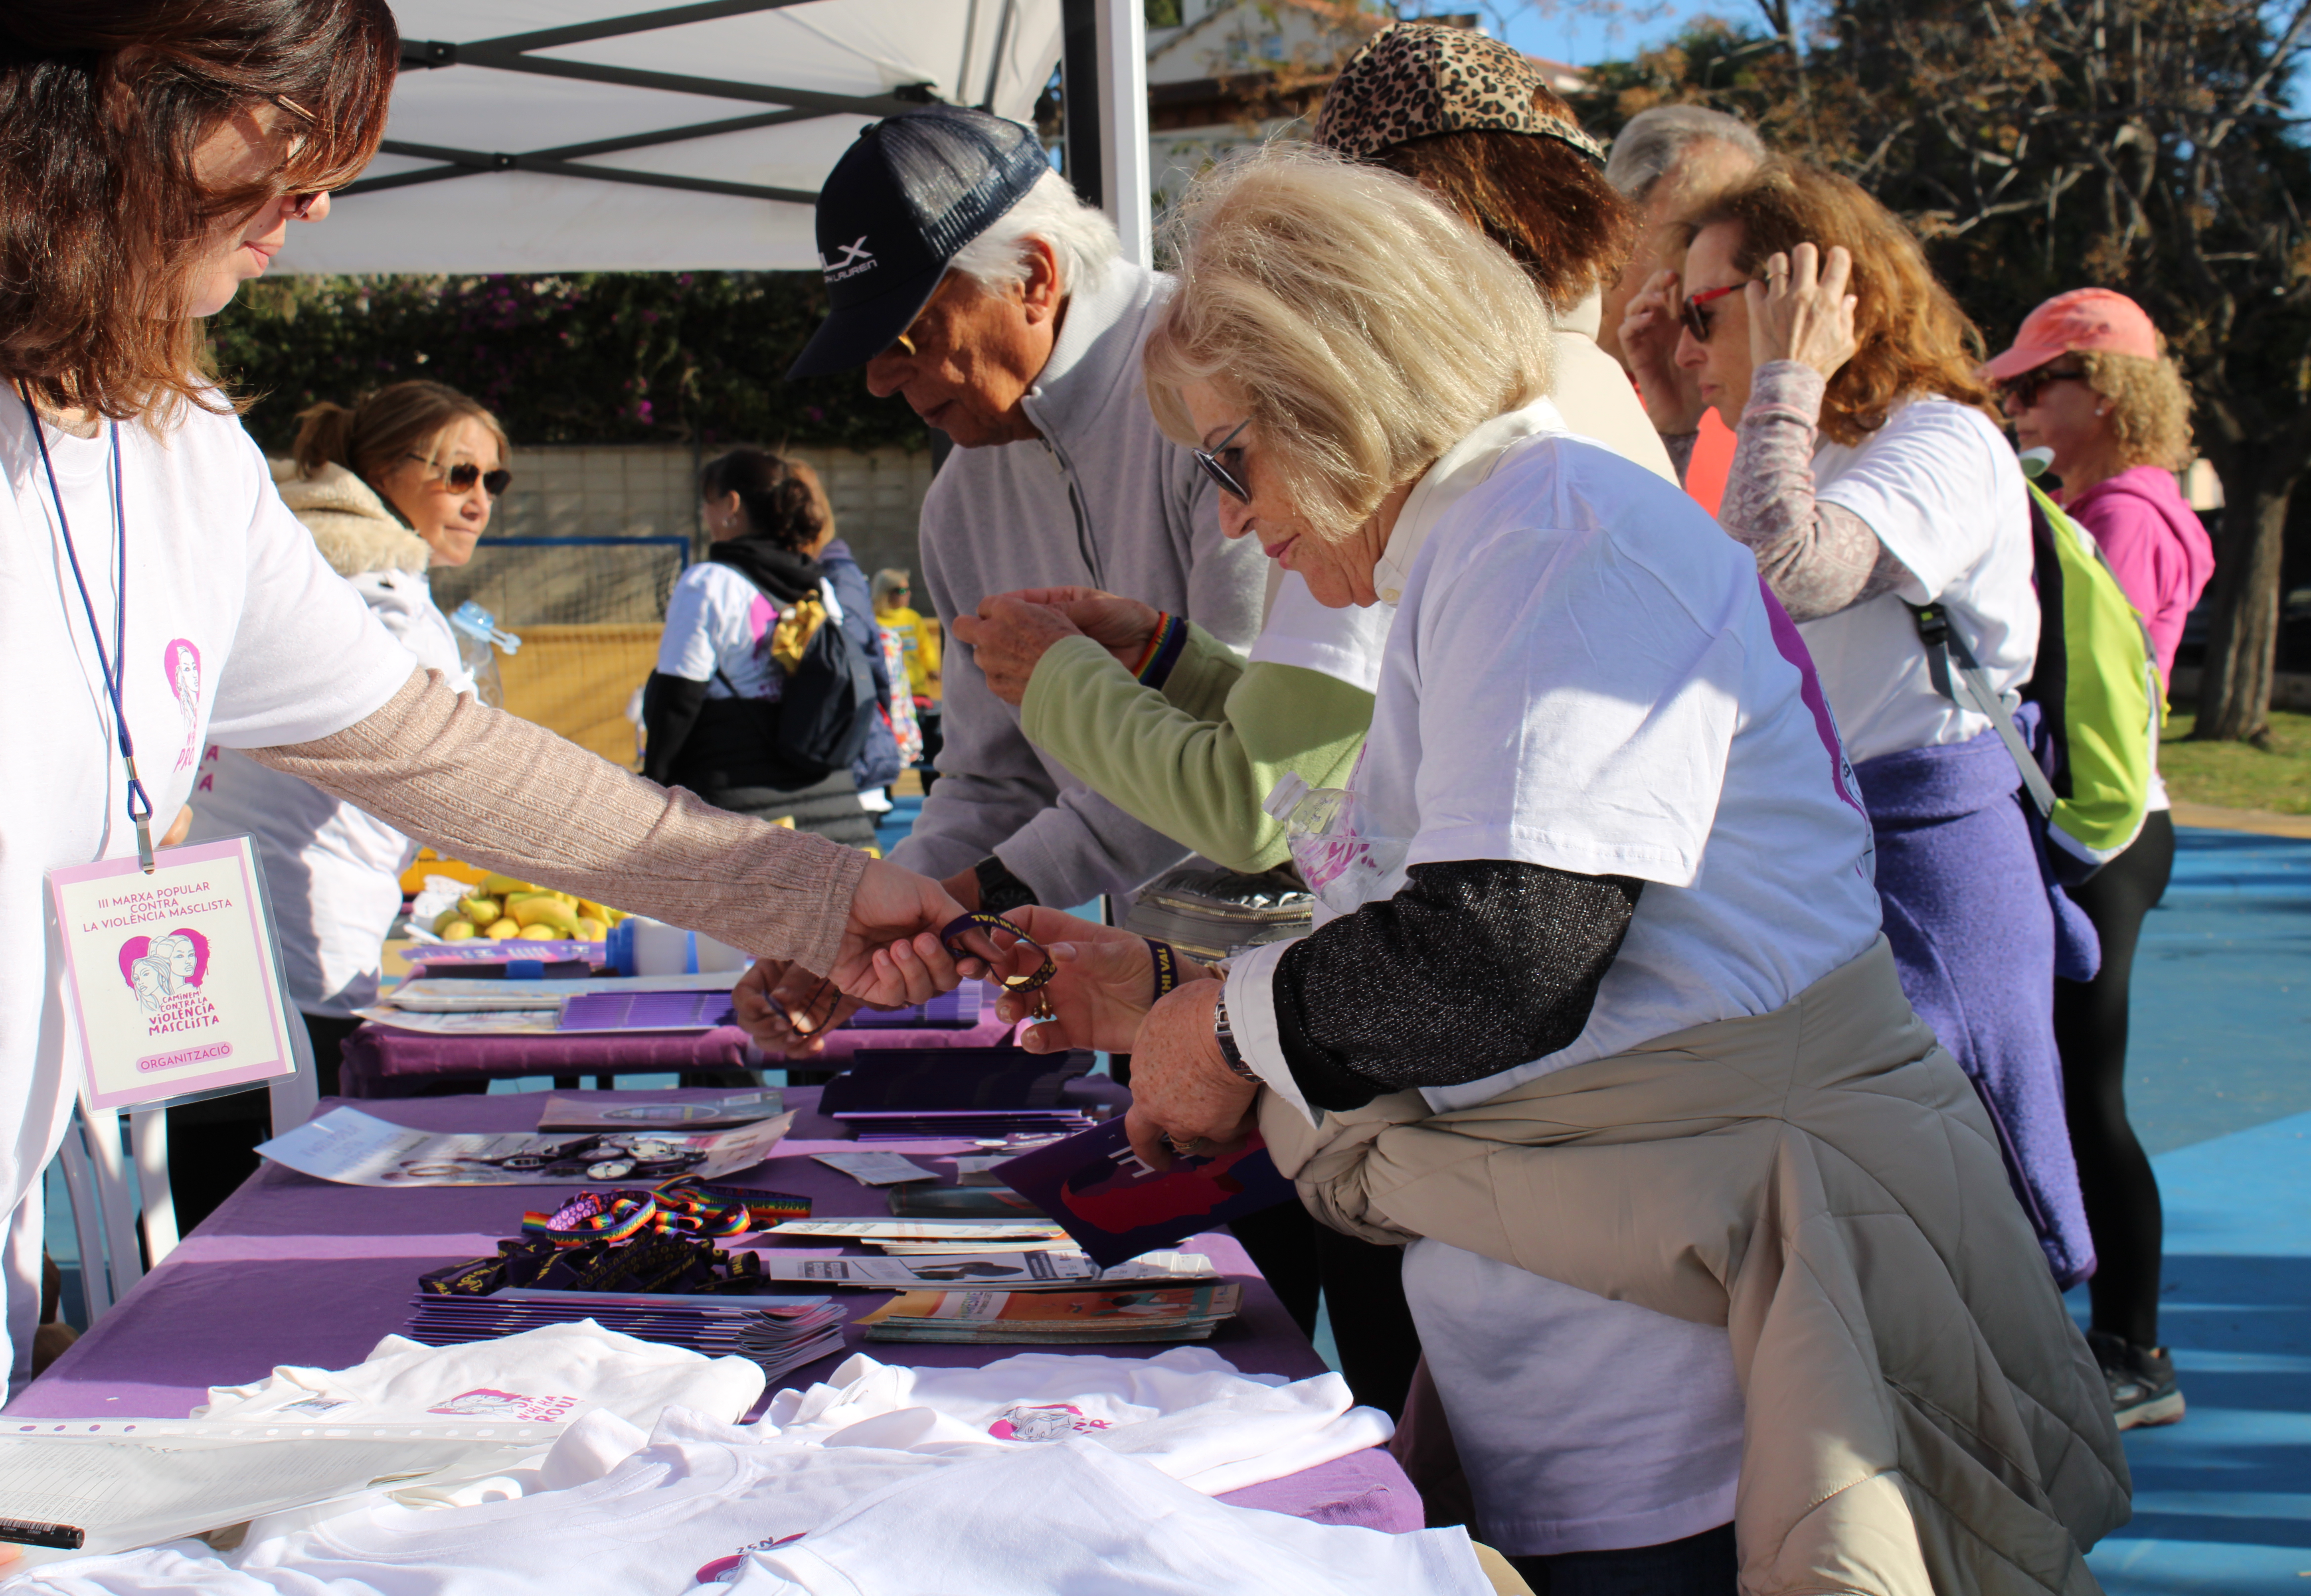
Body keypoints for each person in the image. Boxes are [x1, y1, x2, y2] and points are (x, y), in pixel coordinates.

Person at [892, 145, 2123, 1592]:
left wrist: (1213, 1019)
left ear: (1334, 390)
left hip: (1688, 1395)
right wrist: (1185, 979)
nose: (1226, 514)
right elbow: (1382, 852)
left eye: (1232, 456)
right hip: (1613, 1351)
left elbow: (1497, 955)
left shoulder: (1546, 535)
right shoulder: (1484, 542)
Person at [0, 10, 959, 1580]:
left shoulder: (181, 441)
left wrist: (814, 891)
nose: (325, 196)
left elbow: (433, 750)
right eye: (290, 127)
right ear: (106, 92)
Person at [953, 24, 1678, 879]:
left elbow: (1271, 805)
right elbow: (1369, 740)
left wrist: (1055, 675)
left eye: (1232, 454)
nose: (1229, 510)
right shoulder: (1582, 398)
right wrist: (1165, 660)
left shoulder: (1391, 461)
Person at [1621, 156, 2100, 1289]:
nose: (1686, 340)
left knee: (1968, 1207)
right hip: (1834, 856)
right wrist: (1672, 411)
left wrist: (1781, 367)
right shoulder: (1801, 446)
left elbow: (1787, 567)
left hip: (1933, 865)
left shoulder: (1942, 440)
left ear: (1821, 298)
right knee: (1871, 1231)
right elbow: (1680, 590)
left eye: (1704, 312)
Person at [773, 105, 1266, 924]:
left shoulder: (1222, 379)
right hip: (1149, 965)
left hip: (1335, 952)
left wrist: (968, 897)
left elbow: (1263, 762)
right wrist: (870, 921)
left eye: (906, 337)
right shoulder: (959, 503)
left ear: (1034, 278)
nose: (878, 384)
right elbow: (992, 780)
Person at [171, 381, 506, 1230]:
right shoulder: (380, 602)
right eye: (459, 472)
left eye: (495, 481)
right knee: (279, 1237)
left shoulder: (293, 578)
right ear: (385, 472)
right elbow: (453, 785)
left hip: (224, 947)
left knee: (210, 1225)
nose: (479, 500)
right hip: (297, 961)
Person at [1991, 288, 2216, 1427]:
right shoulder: (2130, 502)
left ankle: (2133, 1349)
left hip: (2104, 831)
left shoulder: (2123, 516)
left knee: (2084, 1095)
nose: (2019, 402)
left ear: (2109, 393)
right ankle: (2118, 1339)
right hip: (2118, 828)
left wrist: (2064, 834)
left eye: (2039, 384)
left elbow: (2093, 686)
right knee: (2079, 1091)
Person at [639, 449, 878, 849]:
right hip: (832, 808)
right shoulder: (819, 586)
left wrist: (653, 786)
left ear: (730, 505)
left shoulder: (709, 583)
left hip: (737, 798)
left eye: (708, 503)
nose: (705, 514)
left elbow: (677, 698)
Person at [1599, 105, 1766, 515]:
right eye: (1696, 229)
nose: (1720, 257)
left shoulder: (1734, 397)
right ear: (1618, 216)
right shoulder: (1528, 373)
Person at [793, 458, 907, 814]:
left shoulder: (835, 575)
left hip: (849, 759)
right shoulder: (828, 574)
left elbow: (854, 657)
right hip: (838, 754)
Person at [872, 568, 939, 702]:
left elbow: (926, 646)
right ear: (886, 593)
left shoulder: (912, 617)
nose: (908, 594)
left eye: (908, 590)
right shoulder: (874, 620)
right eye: (902, 591)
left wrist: (932, 669)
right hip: (889, 691)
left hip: (917, 690)